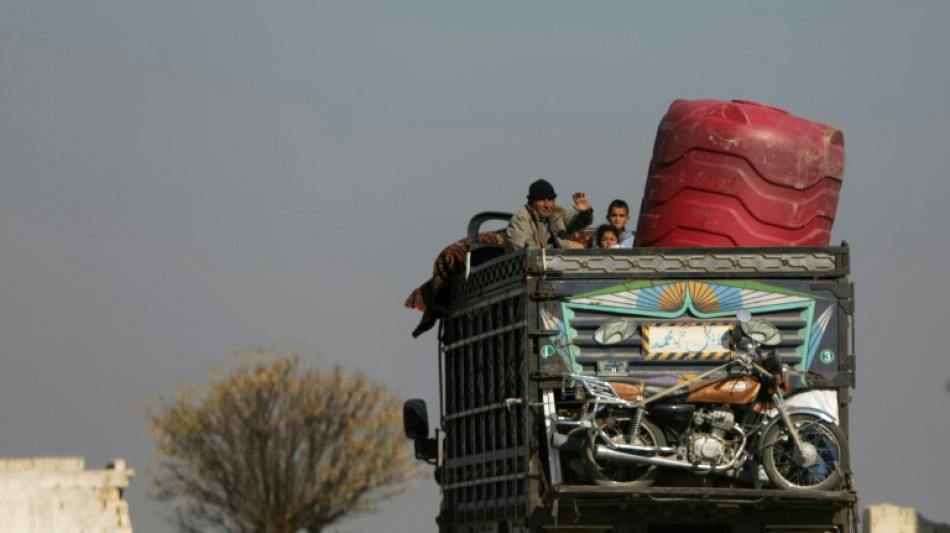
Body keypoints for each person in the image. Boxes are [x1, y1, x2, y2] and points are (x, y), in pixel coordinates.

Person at [505, 179, 594, 251]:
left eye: (550, 199)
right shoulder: (520, 220)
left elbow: (578, 221)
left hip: (559, 266)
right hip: (530, 270)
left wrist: (585, 212)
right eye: (542, 200)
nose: (547, 205)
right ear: (532, 201)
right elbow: (528, 252)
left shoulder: (557, 213)